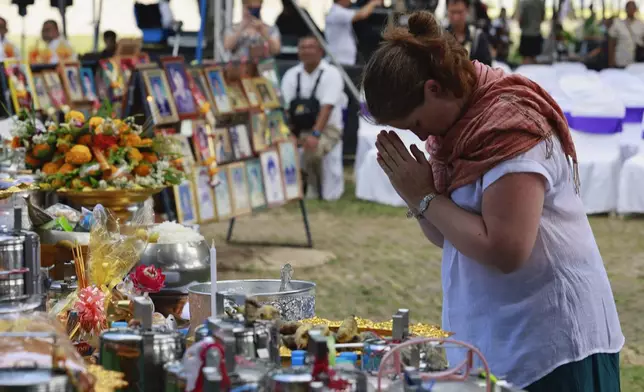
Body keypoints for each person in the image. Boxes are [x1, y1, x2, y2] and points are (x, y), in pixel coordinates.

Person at [362, 11, 623, 392]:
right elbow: (450, 235)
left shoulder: (509, 125)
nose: (420, 137)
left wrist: (425, 196)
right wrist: (417, 197)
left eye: (416, 123)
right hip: (501, 335)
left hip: (552, 345)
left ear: (434, 89)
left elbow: (506, 250)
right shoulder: (456, 132)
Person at [281, 36, 346, 199]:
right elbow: (286, 110)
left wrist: (315, 135)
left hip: (327, 129)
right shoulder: (291, 75)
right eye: (303, 48)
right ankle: (288, 191)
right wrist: (289, 135)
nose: (307, 51)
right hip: (298, 128)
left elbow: (327, 108)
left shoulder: (331, 74)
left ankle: (314, 190)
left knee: (313, 149)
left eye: (311, 47)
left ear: (320, 51)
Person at [325, 0, 382, 66]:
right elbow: (362, 14)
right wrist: (373, 3)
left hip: (344, 59)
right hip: (339, 59)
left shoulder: (339, 11)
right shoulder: (337, 12)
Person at [446, 0, 492, 66]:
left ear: (467, 10)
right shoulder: (441, 36)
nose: (456, 17)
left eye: (460, 12)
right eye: (452, 12)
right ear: (447, 10)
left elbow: (487, 68)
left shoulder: (478, 37)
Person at [609, 1, 644, 68]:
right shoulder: (618, 23)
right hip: (621, 60)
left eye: (633, 8)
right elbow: (611, 42)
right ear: (625, 9)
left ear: (635, 9)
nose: (631, 10)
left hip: (636, 61)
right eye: (629, 8)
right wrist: (611, 60)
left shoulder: (641, 24)